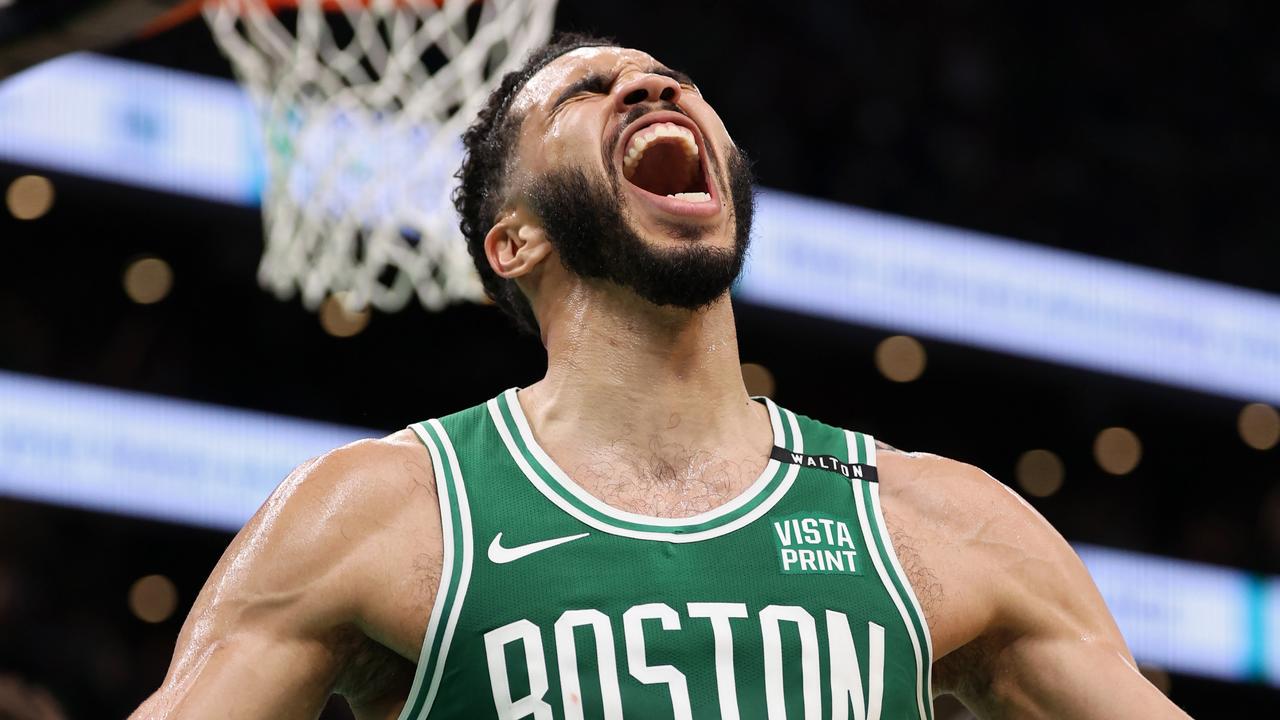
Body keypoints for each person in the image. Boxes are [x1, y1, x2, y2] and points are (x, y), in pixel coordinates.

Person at [132, 34, 1193, 719]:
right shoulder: (380, 511)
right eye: (586, 93)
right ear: (513, 243)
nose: (649, 82)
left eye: (668, 80)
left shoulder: (938, 518)